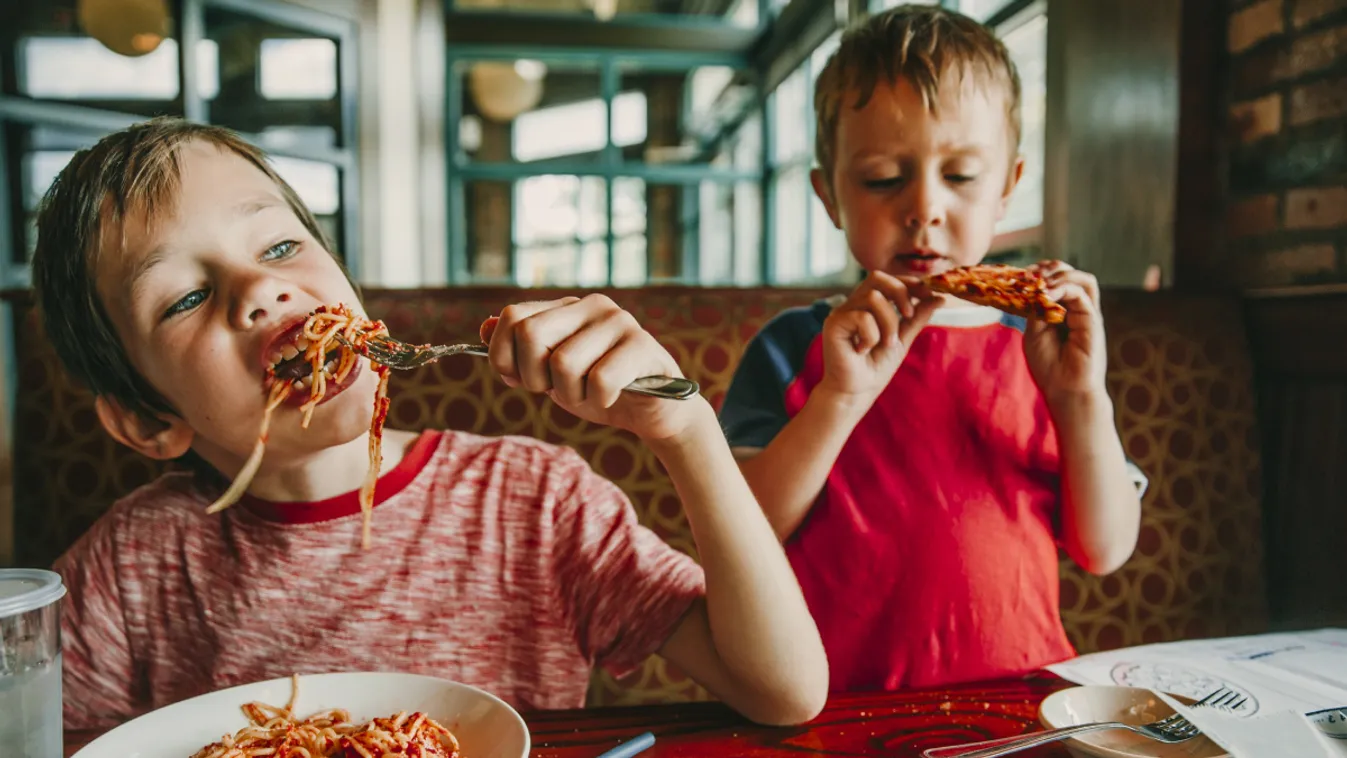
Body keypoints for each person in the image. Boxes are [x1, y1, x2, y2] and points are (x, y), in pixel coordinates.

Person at [34, 117, 827, 729]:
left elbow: (782, 690)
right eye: (183, 297)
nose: (259, 289)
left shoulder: (531, 500)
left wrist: (684, 430)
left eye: (279, 244)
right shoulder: (131, 566)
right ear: (146, 422)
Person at [719, 5, 1146, 692]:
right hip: (832, 705)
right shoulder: (793, 346)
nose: (923, 207)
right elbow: (744, 533)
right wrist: (837, 398)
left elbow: (1104, 549)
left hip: (1020, 700)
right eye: (883, 177)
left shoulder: (1041, 354)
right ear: (828, 194)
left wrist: (1078, 399)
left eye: (961, 176)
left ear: (1006, 186)